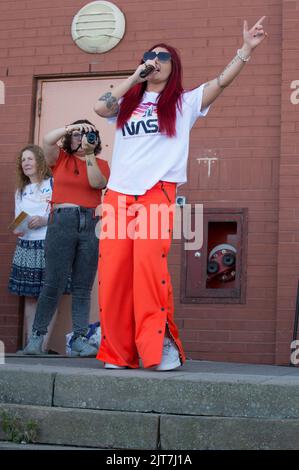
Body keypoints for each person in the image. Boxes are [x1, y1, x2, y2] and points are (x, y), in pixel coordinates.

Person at [94, 18, 268, 370]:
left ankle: (158, 350)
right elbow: (101, 107)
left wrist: (245, 51)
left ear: (174, 68)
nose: (154, 60)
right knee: (113, 273)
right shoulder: (127, 105)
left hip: (156, 192)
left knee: (147, 269)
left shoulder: (183, 103)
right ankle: (117, 352)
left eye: (162, 57)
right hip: (117, 196)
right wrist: (135, 78)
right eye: (149, 55)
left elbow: (221, 83)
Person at [23, 119, 110, 356]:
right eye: (76, 135)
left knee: (83, 286)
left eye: (87, 135)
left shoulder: (101, 163)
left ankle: (80, 340)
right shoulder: (60, 159)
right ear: (69, 138)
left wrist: (89, 153)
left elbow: (97, 183)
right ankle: (36, 340)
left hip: (91, 222)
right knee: (53, 282)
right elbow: (47, 140)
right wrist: (72, 128)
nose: (80, 139)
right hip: (62, 220)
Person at [8, 144, 57, 351]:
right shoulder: (20, 192)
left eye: (29, 159)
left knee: (49, 295)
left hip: (48, 243)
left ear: (40, 160)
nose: (26, 163)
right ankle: (30, 345)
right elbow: (17, 222)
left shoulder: (53, 183)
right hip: (26, 246)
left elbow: (62, 214)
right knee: (30, 296)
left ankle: (43, 346)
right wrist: (17, 228)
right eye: (23, 160)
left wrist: (45, 220)